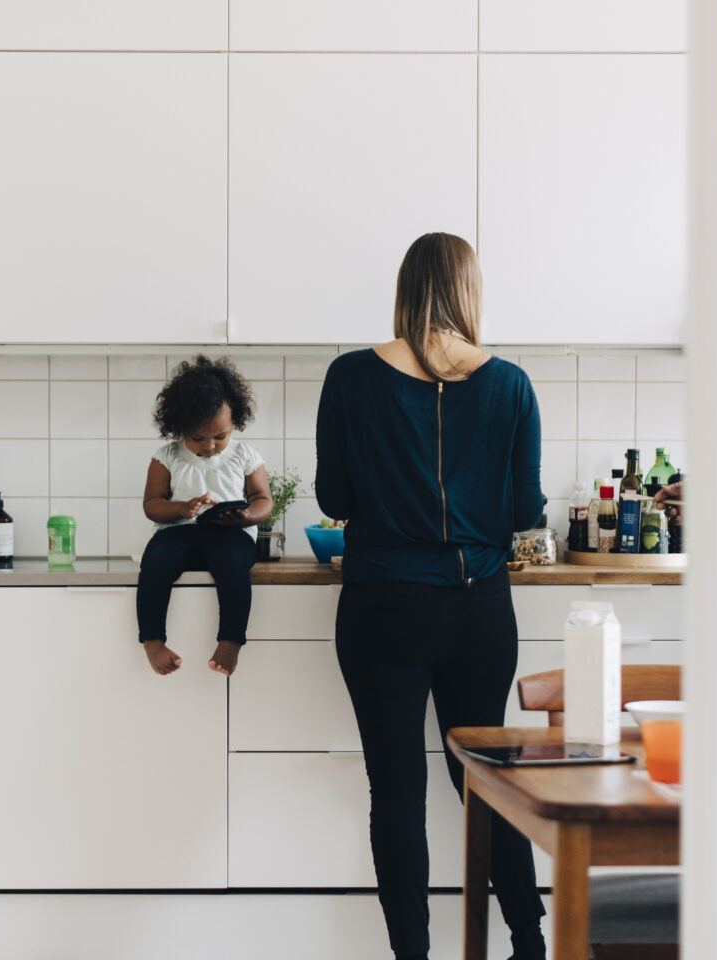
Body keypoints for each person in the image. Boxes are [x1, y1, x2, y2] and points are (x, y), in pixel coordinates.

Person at [315, 233, 547, 960]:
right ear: (470, 291)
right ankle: (531, 943)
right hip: (478, 607)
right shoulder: (510, 384)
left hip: (383, 605)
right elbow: (522, 512)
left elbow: (335, 497)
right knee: (487, 785)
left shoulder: (351, 377)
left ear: (405, 288)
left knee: (397, 789)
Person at [137, 356, 273, 678]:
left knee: (233, 566)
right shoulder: (166, 457)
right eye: (198, 438)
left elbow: (264, 499)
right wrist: (183, 508)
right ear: (179, 426)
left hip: (230, 532)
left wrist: (247, 516)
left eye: (220, 436)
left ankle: (230, 641)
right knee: (155, 563)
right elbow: (152, 504)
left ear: (235, 422)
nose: (210, 445)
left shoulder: (244, 454)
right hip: (179, 532)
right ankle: (153, 641)